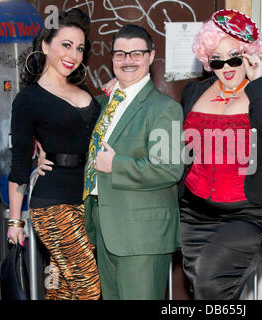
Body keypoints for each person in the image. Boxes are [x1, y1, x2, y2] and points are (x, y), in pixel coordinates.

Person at [179, 9, 262, 300]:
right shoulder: (193, 92)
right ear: (207, 59)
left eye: (234, 57)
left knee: (209, 282)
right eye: (217, 59)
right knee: (205, 291)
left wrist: (257, 81)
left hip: (248, 212)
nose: (226, 66)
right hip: (194, 211)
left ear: (250, 53)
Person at [81, 24, 183, 300]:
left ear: (151, 56)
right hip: (105, 229)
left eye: (136, 53)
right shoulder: (104, 104)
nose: (128, 60)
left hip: (142, 237)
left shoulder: (165, 108)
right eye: (120, 54)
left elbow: (169, 169)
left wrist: (117, 165)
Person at [7, 8, 101, 300]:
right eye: (66, 44)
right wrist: (14, 221)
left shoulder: (84, 90)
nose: (73, 54)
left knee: (61, 286)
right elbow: (20, 162)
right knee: (87, 285)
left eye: (80, 48)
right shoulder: (28, 99)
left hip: (88, 200)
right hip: (52, 204)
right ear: (46, 45)